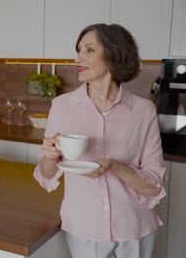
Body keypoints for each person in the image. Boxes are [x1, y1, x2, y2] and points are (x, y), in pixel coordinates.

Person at [33, 23, 166, 258]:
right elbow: (46, 173)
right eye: (79, 50)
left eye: (89, 50)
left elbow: (154, 185)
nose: (78, 58)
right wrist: (50, 156)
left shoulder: (143, 111)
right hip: (84, 229)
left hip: (134, 228)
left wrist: (114, 167)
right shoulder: (62, 106)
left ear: (114, 55)